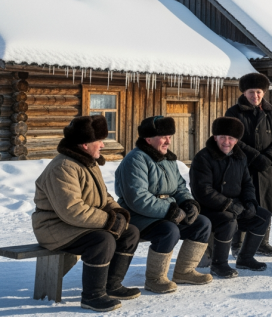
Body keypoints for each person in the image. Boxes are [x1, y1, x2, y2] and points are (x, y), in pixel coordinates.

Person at [32, 116, 140, 312]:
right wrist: (109, 221)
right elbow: (72, 210)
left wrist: (117, 213)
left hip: (74, 224)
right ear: (84, 144)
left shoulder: (88, 163)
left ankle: (112, 286)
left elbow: (103, 196)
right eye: (99, 141)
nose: (103, 145)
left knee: (130, 231)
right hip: (54, 227)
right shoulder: (63, 167)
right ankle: (92, 296)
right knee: (102, 240)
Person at [114, 116, 213, 294]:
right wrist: (170, 211)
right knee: (169, 230)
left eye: (169, 136)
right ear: (148, 139)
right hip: (138, 216)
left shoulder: (168, 159)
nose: (168, 141)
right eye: (163, 136)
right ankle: (155, 279)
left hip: (167, 213)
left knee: (202, 223)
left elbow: (179, 187)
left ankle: (185, 271)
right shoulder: (135, 160)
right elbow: (138, 198)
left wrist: (188, 203)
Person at [190, 117, 271, 278]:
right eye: (222, 137)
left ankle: (245, 258)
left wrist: (250, 202)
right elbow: (203, 190)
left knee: (262, 216)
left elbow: (247, 183)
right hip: (209, 208)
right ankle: (219, 264)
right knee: (228, 220)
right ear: (215, 137)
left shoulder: (240, 157)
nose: (226, 142)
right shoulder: (203, 157)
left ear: (237, 140)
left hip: (236, 206)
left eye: (231, 138)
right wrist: (229, 205)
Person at [225, 72, 272, 257]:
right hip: (242, 167)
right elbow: (232, 138)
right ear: (244, 92)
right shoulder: (234, 113)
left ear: (264, 92)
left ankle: (262, 243)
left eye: (259, 92)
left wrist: (269, 157)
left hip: (267, 168)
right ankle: (238, 243)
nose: (256, 96)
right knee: (243, 204)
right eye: (251, 92)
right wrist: (255, 157)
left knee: (265, 204)